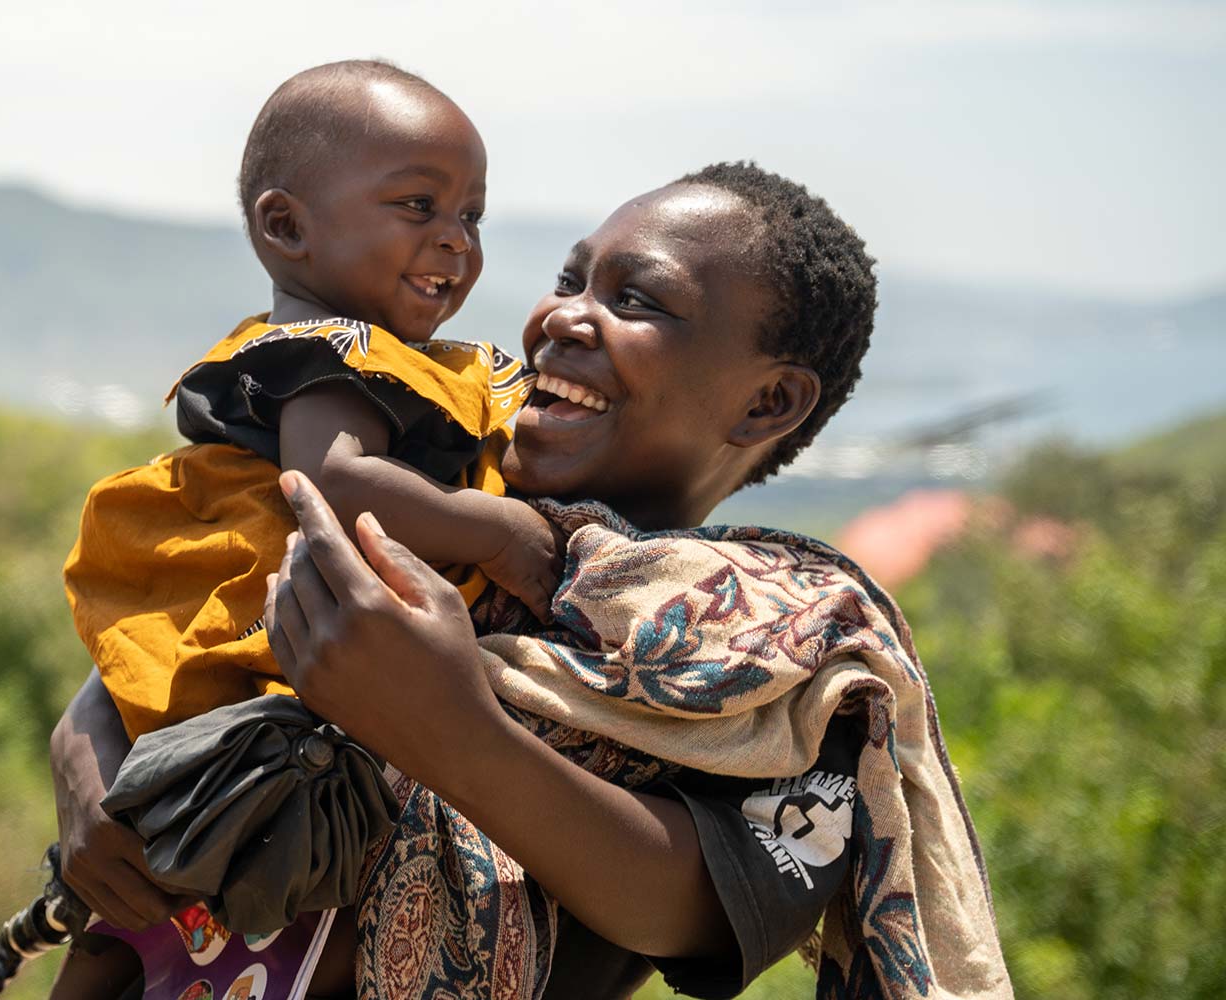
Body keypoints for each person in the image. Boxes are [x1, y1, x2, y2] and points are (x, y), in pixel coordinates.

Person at [51, 164, 1011, 999]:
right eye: (569, 279)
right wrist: (86, 751)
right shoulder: (425, 466)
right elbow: (198, 602)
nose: (561, 317)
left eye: (636, 301)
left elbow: (685, 906)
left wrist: (448, 725)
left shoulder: (785, 656)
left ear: (769, 401)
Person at [63, 58, 555, 745]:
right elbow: (332, 484)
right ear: (288, 227)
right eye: (419, 205)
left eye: (471, 214)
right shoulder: (329, 353)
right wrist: (495, 530)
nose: (457, 238)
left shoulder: (339, 346)